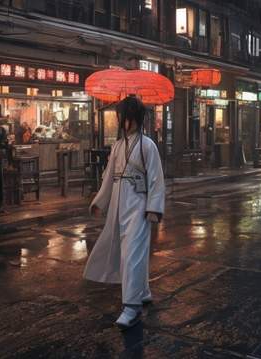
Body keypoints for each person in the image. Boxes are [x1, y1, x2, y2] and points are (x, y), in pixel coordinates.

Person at [84, 95, 165, 329]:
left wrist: (153, 208)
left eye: (123, 116)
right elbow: (109, 176)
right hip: (119, 204)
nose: (121, 120)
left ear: (133, 119)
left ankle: (131, 306)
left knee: (132, 254)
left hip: (139, 206)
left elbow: (157, 180)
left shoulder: (147, 145)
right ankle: (143, 290)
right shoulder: (118, 146)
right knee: (128, 251)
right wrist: (100, 200)